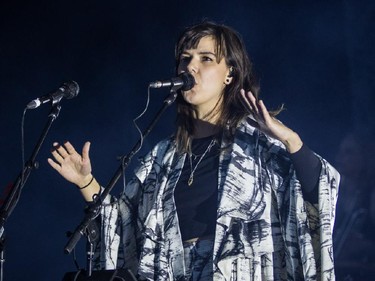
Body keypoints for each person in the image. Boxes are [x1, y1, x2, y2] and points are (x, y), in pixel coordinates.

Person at [48, 21, 340, 280]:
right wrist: (86, 182)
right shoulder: (164, 157)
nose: (190, 66)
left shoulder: (258, 144)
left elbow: (319, 193)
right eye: (185, 59)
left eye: (206, 58)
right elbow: (124, 229)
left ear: (230, 73)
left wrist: (292, 141)